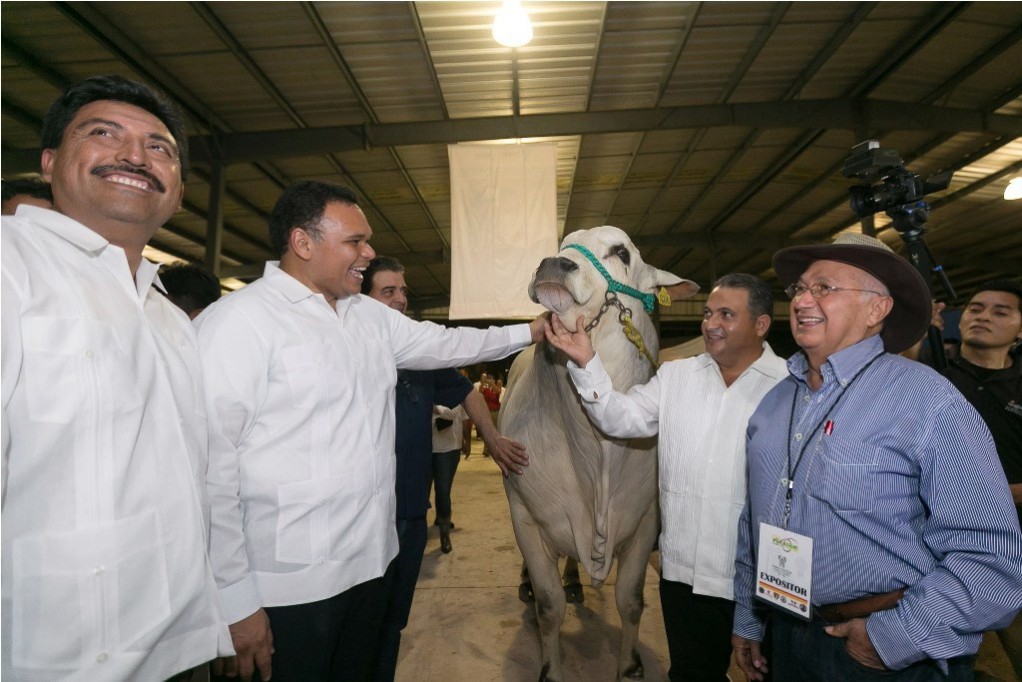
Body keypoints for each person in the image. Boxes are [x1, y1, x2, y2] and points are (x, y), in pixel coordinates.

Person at [196, 181, 546, 682]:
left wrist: (530, 331)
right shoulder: (239, 324)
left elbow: (448, 344)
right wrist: (233, 599)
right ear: (303, 243)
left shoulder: (368, 318)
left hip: (370, 567)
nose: (369, 252)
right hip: (286, 589)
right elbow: (209, 471)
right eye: (355, 242)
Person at [1, 75, 231, 681]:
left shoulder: (166, 317)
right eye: (104, 134)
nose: (135, 155)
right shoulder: (10, 267)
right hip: (56, 660)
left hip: (180, 648)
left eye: (160, 148)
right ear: (50, 163)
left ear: (177, 193)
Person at [731, 233, 1022, 682]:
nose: (803, 300)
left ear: (876, 309)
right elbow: (756, 521)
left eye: (824, 288)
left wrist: (892, 640)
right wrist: (749, 619)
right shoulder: (774, 403)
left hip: (881, 649)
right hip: (786, 635)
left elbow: (991, 560)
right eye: (799, 289)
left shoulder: (927, 401)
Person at [545, 273, 788, 681]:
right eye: (708, 313)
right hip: (686, 579)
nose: (710, 323)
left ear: (760, 325)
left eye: (726, 315)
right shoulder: (678, 378)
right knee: (693, 674)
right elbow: (619, 417)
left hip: (760, 581)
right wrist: (587, 364)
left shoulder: (790, 386)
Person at [361, 255, 530, 681]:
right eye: (388, 291)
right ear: (362, 300)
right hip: (365, 518)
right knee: (360, 625)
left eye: (403, 292)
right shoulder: (353, 349)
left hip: (413, 516)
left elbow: (466, 391)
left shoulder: (421, 356)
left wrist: (492, 439)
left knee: (394, 621)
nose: (401, 300)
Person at [940, 279, 1022, 681]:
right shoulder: (931, 378)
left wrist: (991, 497)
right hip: (938, 554)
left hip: (1014, 552)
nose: (983, 316)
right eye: (975, 308)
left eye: (1000, 311)